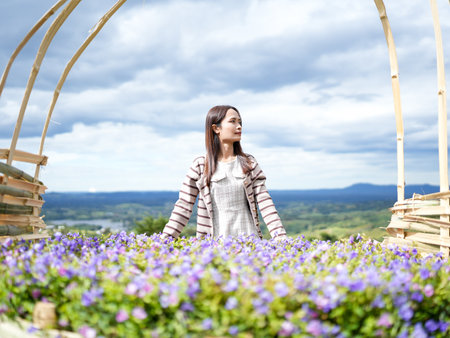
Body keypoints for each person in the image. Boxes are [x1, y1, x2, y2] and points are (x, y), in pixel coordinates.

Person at [161, 105, 287, 240]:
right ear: (216, 128)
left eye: (240, 122)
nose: (239, 126)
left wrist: (281, 238)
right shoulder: (200, 165)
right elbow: (184, 206)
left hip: (250, 245)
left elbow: (265, 203)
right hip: (213, 247)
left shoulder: (249, 163)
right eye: (233, 121)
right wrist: (164, 240)